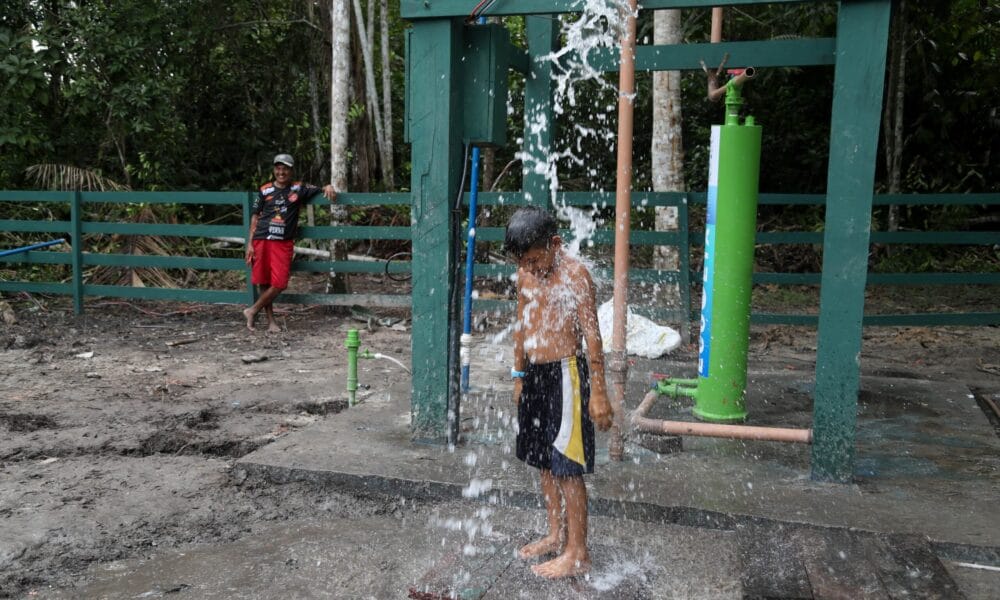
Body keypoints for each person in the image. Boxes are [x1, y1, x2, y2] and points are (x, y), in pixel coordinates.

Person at [505, 206, 613, 579]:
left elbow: (593, 337)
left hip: (568, 374)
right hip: (535, 373)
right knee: (543, 461)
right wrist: (518, 374)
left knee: (567, 467)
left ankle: (578, 552)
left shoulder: (575, 274)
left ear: (554, 243)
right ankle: (556, 534)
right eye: (524, 262)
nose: (532, 268)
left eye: (535, 259)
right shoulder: (525, 274)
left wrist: (599, 391)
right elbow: (521, 325)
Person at [243, 153, 336, 332]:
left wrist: (329, 186)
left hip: (283, 243)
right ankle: (270, 322)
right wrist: (249, 243)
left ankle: (252, 310)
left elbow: (320, 188)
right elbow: (255, 217)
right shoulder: (265, 190)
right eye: (278, 168)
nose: (281, 172)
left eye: (285, 168)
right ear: (274, 170)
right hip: (261, 238)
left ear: (291, 171)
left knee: (279, 283)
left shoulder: (299, 188)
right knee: (264, 280)